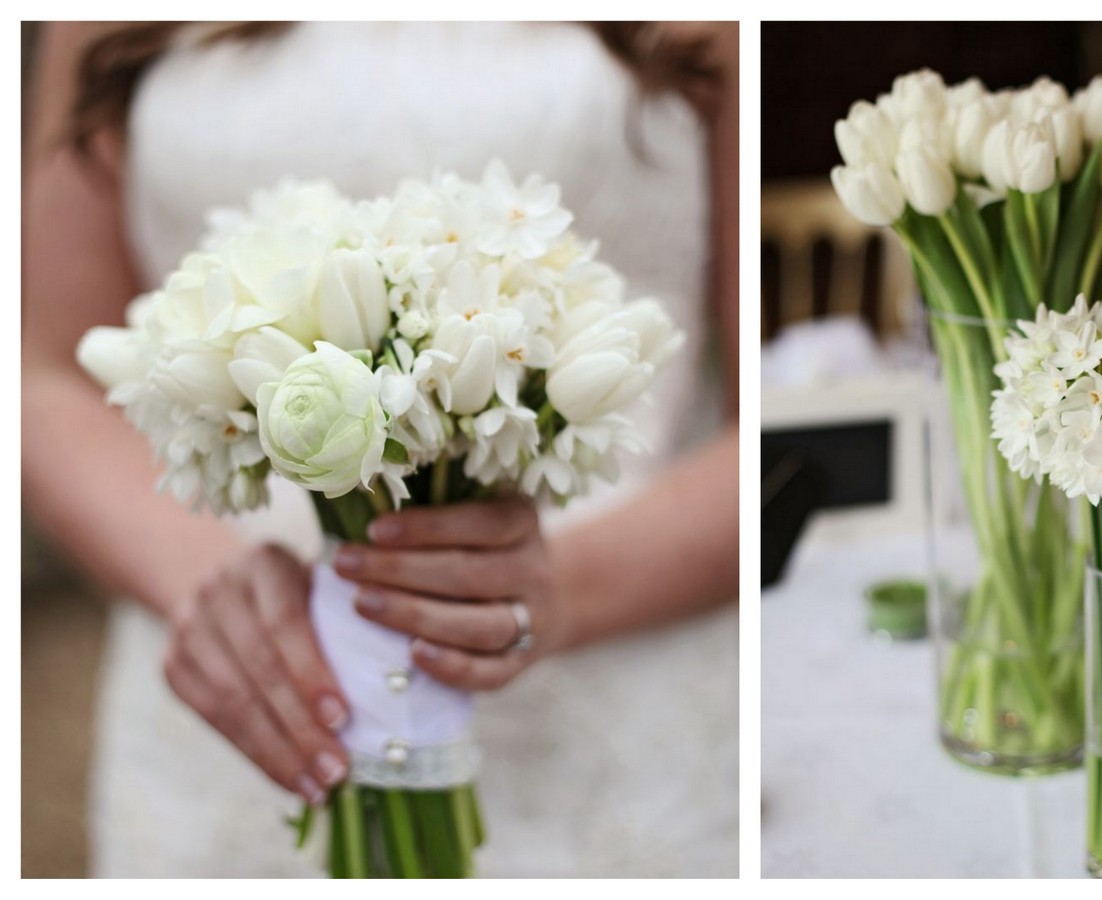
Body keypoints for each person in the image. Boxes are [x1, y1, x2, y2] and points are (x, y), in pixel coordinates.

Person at [22, 21, 739, 877]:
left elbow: (781, 407)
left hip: (617, 676)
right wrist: (204, 585)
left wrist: (561, 589)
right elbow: (45, 375)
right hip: (240, 692)